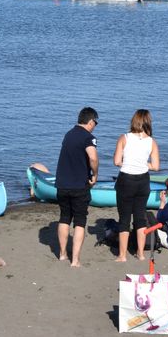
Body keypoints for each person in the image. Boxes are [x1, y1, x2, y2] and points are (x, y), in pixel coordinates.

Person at [54, 107, 99, 267]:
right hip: (79, 185)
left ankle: (62, 254)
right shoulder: (88, 137)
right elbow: (93, 158)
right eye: (96, 123)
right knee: (80, 221)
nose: (95, 126)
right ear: (91, 121)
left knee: (64, 217)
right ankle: (75, 260)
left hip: (62, 184)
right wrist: (95, 175)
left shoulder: (68, 134)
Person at [114, 109, 160, 261]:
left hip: (126, 179)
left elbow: (116, 162)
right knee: (140, 217)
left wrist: (127, 162)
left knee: (124, 218)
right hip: (143, 180)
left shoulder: (124, 138)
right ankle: (140, 253)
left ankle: (122, 255)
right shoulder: (151, 141)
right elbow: (156, 166)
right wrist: (143, 163)